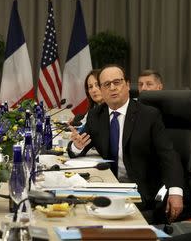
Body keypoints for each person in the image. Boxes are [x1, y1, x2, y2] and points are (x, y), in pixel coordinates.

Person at [67, 64, 184, 224]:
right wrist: (77, 146)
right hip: (110, 185)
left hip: (143, 189)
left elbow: (169, 156)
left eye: (117, 82)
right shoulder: (96, 115)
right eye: (107, 84)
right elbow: (76, 148)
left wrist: (176, 191)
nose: (113, 88)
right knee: (77, 210)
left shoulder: (149, 116)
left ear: (127, 85)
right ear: (101, 89)